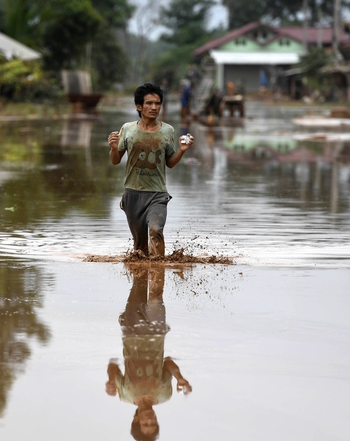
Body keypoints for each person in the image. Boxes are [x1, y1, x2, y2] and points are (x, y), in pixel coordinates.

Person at [105, 265, 192, 441]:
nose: (150, 421)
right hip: (156, 333)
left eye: (145, 424)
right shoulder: (164, 395)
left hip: (132, 334)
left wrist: (109, 380)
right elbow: (167, 363)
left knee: (139, 283)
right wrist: (180, 377)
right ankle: (155, 254)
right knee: (156, 292)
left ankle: (140, 253)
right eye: (153, 424)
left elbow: (113, 366)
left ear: (136, 420)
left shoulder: (126, 396)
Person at [107, 82, 194, 258]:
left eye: (157, 103)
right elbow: (116, 161)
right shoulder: (128, 129)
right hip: (133, 194)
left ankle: (158, 277)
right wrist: (114, 148)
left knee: (155, 230)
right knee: (140, 251)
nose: (154, 107)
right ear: (139, 106)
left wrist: (182, 151)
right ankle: (141, 280)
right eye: (149, 103)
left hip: (157, 194)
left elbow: (169, 163)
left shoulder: (167, 130)